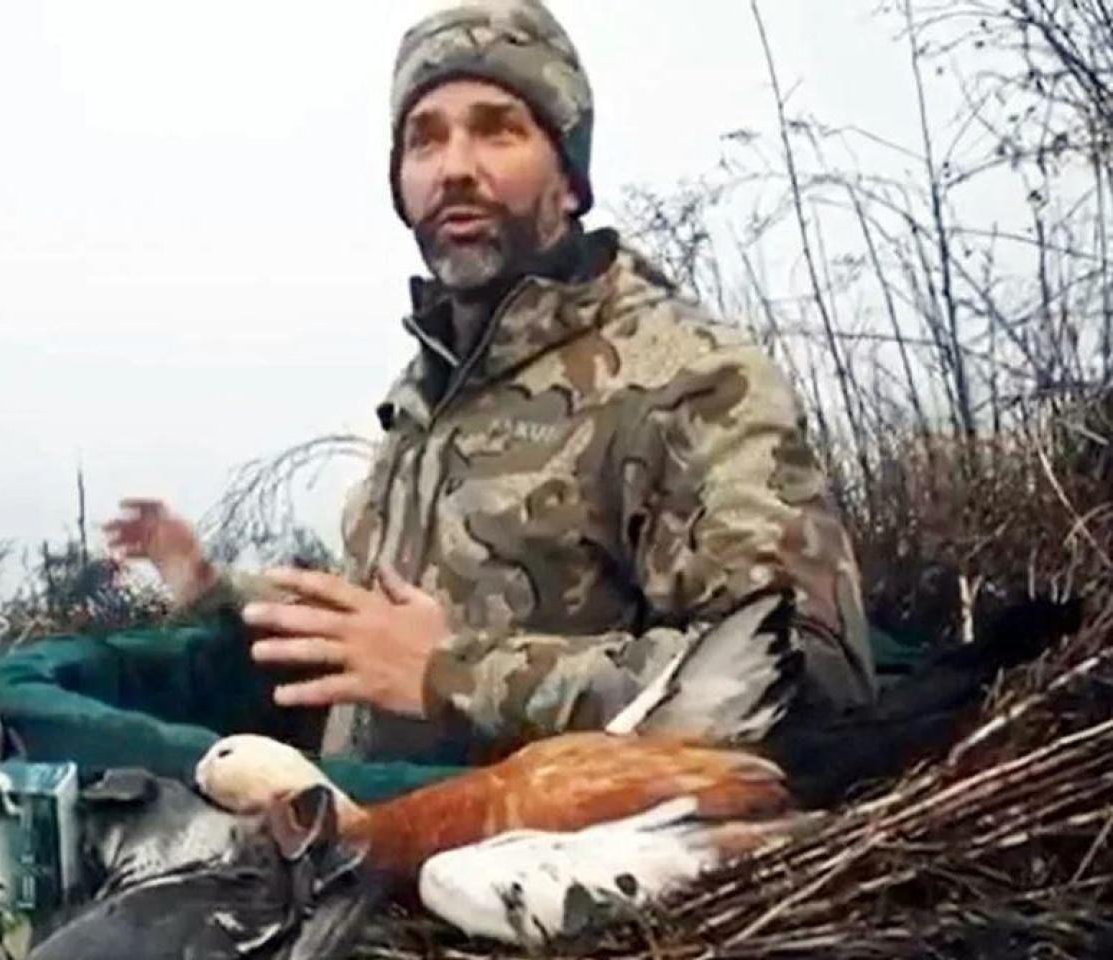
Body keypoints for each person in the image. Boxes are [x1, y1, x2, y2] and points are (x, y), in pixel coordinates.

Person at [102, 0, 874, 766]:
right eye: (424, 139)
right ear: (401, 184)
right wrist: (212, 588)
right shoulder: (423, 402)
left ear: (569, 178)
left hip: (570, 878)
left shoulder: (693, 378)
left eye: (498, 128)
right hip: (364, 862)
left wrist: (456, 676)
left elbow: (811, 680)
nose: (456, 168)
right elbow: (371, 641)